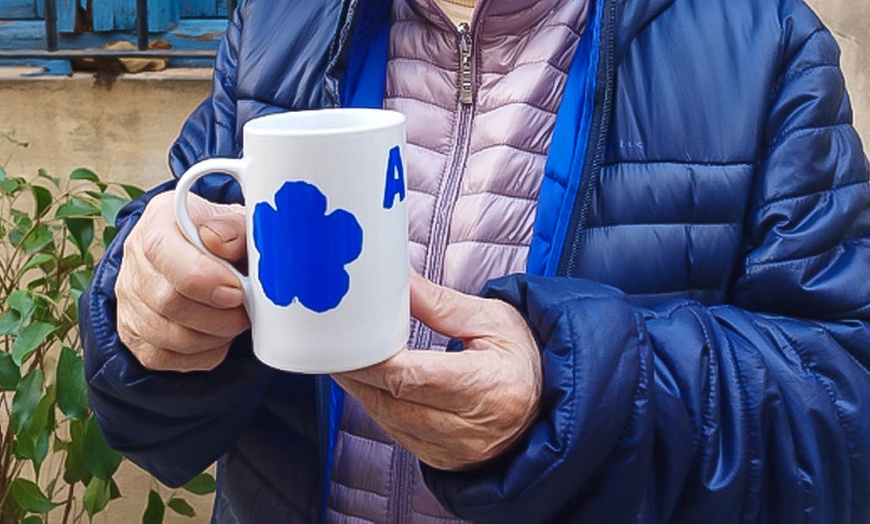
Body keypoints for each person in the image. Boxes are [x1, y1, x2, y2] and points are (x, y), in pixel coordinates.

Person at [79, 0, 870, 521]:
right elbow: (143, 394)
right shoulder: (279, 21)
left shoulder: (759, 41)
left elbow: (842, 412)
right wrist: (142, 312)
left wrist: (569, 399)